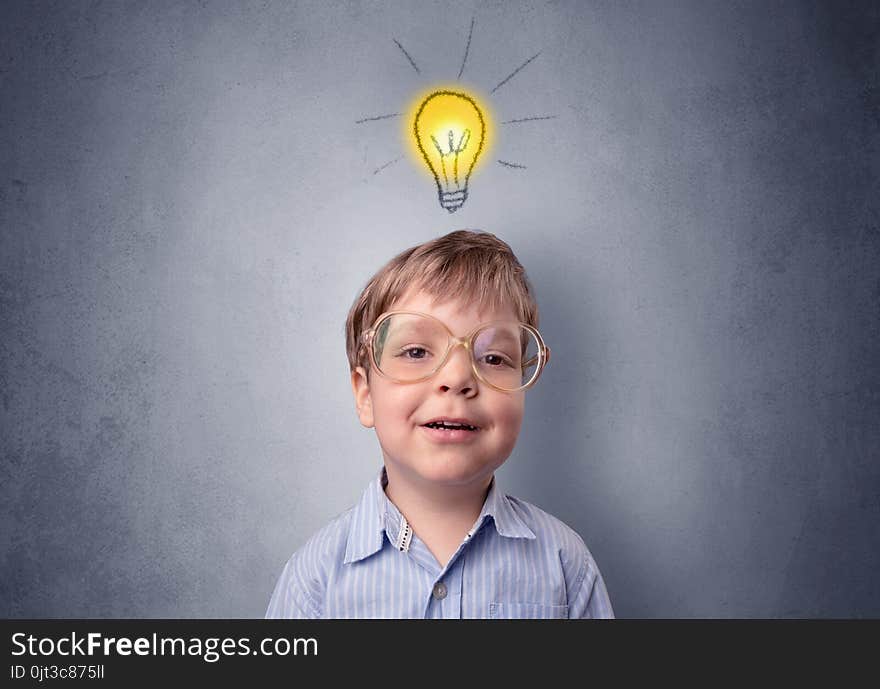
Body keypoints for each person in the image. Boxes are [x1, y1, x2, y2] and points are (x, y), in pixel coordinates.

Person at [265, 230, 614, 618]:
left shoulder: (565, 566)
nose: (458, 377)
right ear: (365, 395)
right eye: (416, 351)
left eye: (494, 358)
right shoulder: (315, 579)